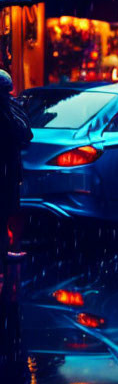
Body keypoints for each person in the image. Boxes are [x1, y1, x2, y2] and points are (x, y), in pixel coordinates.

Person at [0, 71, 31, 261]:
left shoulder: (8, 109)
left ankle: (3, 253)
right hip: (4, 171)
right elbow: (23, 133)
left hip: (7, 171)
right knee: (2, 216)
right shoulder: (6, 112)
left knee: (3, 217)